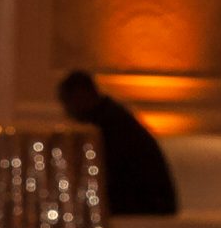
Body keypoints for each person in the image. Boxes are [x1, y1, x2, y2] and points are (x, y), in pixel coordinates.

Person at [58, 68, 179, 217]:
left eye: (67, 103)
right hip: (152, 207)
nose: (68, 112)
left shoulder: (105, 128)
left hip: (141, 210)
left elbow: (106, 177)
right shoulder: (115, 120)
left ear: (80, 95)